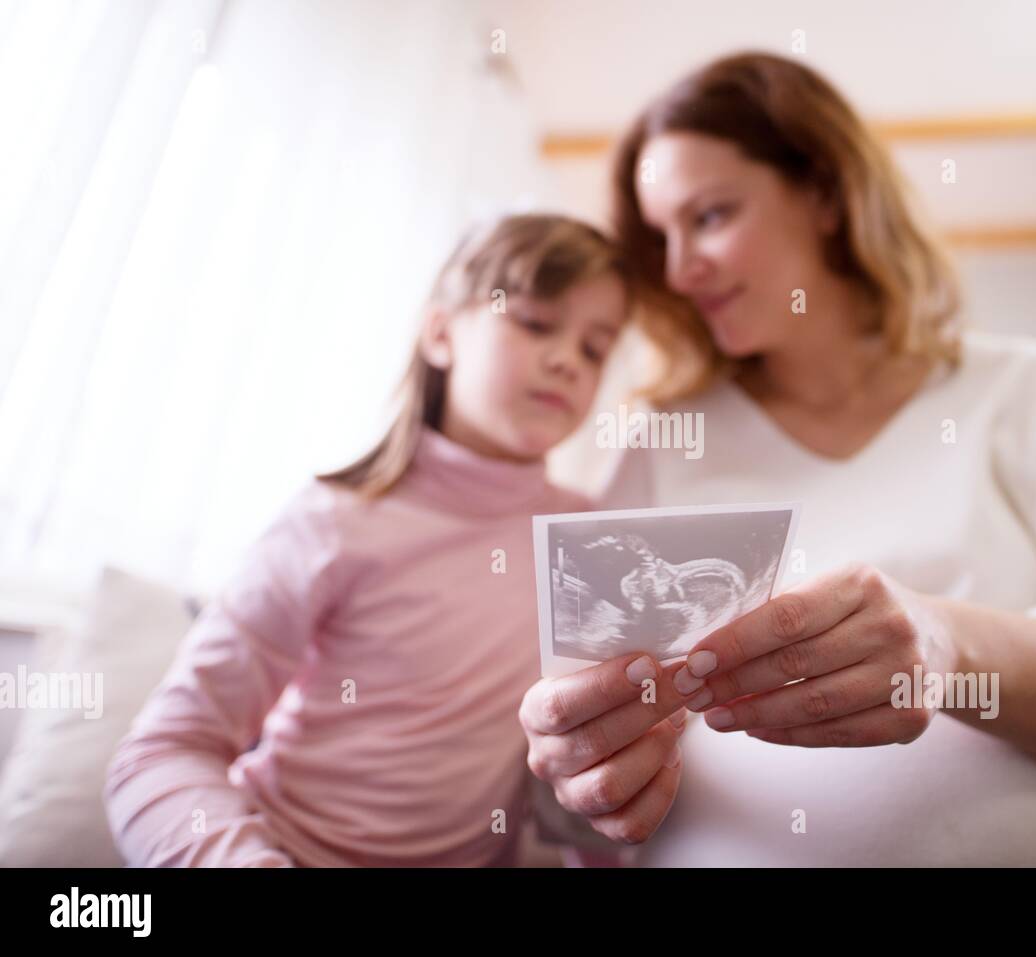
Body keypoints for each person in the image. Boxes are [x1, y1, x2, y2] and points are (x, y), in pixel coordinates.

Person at [519, 52, 1036, 866]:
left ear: (827, 194)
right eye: (660, 238)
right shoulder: (657, 439)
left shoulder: (1031, 393)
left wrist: (945, 643)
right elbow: (579, 781)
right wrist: (579, 768)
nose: (681, 268)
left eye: (712, 216)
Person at [104, 214, 639, 866]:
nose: (566, 360)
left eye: (595, 347)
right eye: (534, 322)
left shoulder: (589, 540)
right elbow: (162, 749)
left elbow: (586, 774)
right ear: (441, 333)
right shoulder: (332, 521)